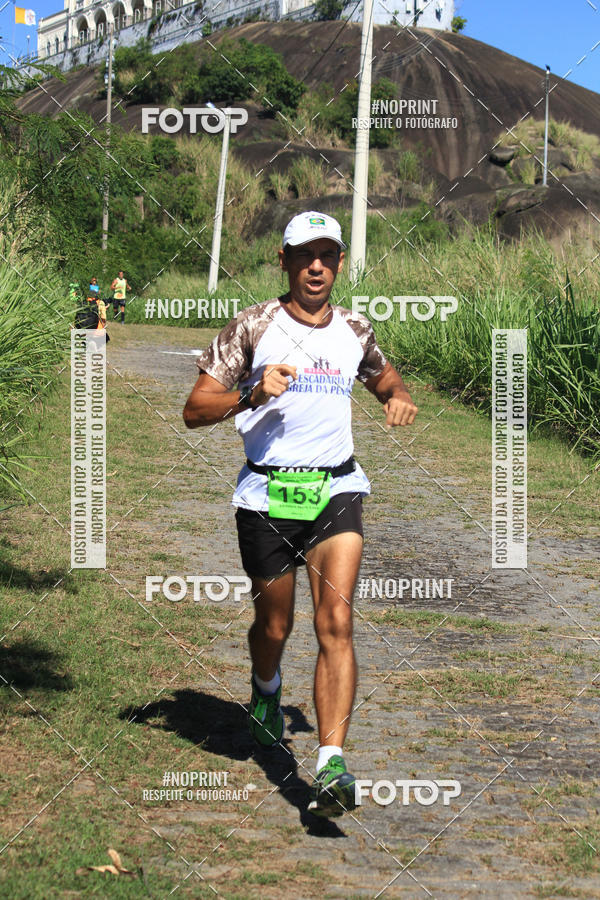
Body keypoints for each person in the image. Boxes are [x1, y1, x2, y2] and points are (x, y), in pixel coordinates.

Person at [183, 211, 418, 818]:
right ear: (283, 261)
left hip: (337, 489)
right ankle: (266, 690)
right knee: (275, 628)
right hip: (265, 497)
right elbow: (195, 409)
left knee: (335, 623)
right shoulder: (253, 325)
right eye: (303, 254)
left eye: (327, 255)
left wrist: (397, 398)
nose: (316, 266)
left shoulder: (355, 329)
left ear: (339, 263)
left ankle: (330, 763)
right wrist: (252, 392)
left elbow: (385, 379)